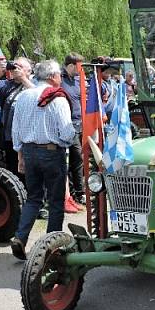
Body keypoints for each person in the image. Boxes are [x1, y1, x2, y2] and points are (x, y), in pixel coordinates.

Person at [9, 60, 77, 260]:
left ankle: (20, 237)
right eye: (59, 75)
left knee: (33, 198)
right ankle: (49, 248)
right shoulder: (57, 98)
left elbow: (16, 130)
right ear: (53, 77)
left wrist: (20, 154)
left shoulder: (22, 97)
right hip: (51, 152)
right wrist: (76, 135)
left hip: (30, 152)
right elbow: (66, 132)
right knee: (55, 202)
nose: (60, 78)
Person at [0, 57, 34, 174]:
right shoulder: (5, 85)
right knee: (14, 171)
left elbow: (40, 95)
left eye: (20, 67)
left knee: (32, 174)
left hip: (30, 138)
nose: (15, 68)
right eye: (14, 65)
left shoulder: (36, 83)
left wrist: (23, 78)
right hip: (10, 138)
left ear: (29, 71)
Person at [61, 53, 86, 205]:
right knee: (76, 156)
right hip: (67, 125)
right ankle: (77, 191)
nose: (81, 69)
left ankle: (77, 191)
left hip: (80, 123)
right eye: (79, 66)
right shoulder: (59, 81)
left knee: (78, 159)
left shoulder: (78, 80)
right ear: (71, 65)